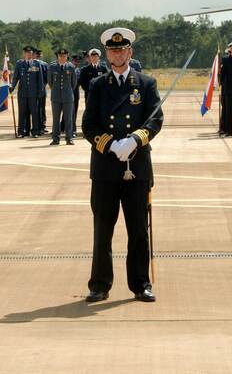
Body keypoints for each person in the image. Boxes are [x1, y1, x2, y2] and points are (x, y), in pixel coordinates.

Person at [82, 27, 162, 303]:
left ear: (130, 51)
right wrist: (110, 144)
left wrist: (136, 139)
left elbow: (155, 120)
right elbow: (88, 125)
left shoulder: (146, 83)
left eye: (122, 49)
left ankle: (141, 283)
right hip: (106, 167)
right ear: (107, 54)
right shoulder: (97, 86)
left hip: (136, 166)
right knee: (103, 229)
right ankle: (99, 284)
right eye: (113, 50)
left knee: (139, 229)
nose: (118, 54)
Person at [11, 46, 43, 138]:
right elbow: (15, 77)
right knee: (22, 112)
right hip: (22, 93)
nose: (28, 54)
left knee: (34, 112)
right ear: (24, 54)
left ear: (32, 54)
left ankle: (35, 131)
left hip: (33, 93)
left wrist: (40, 91)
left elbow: (39, 79)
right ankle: (21, 131)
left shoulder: (36, 64)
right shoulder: (19, 64)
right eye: (27, 53)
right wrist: (12, 86)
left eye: (30, 53)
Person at [48, 48, 76, 145]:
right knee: (56, 119)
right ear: (57, 56)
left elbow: (74, 83)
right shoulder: (52, 67)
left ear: (67, 56)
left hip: (68, 97)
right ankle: (56, 139)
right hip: (56, 97)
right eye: (60, 56)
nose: (62, 57)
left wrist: (67, 91)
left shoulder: (71, 67)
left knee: (68, 118)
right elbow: (50, 82)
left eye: (64, 56)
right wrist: (57, 90)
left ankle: (69, 138)